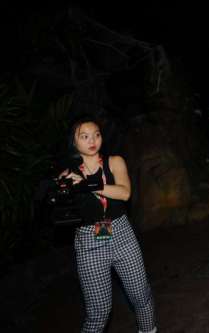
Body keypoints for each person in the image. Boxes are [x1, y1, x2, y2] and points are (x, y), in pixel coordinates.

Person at [59, 115, 157, 333]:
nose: (92, 140)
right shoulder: (68, 173)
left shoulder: (114, 161)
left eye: (96, 134)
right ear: (74, 142)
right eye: (84, 136)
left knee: (140, 294)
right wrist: (63, 186)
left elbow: (124, 193)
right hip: (88, 240)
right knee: (99, 311)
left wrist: (87, 185)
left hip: (122, 233)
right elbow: (58, 205)